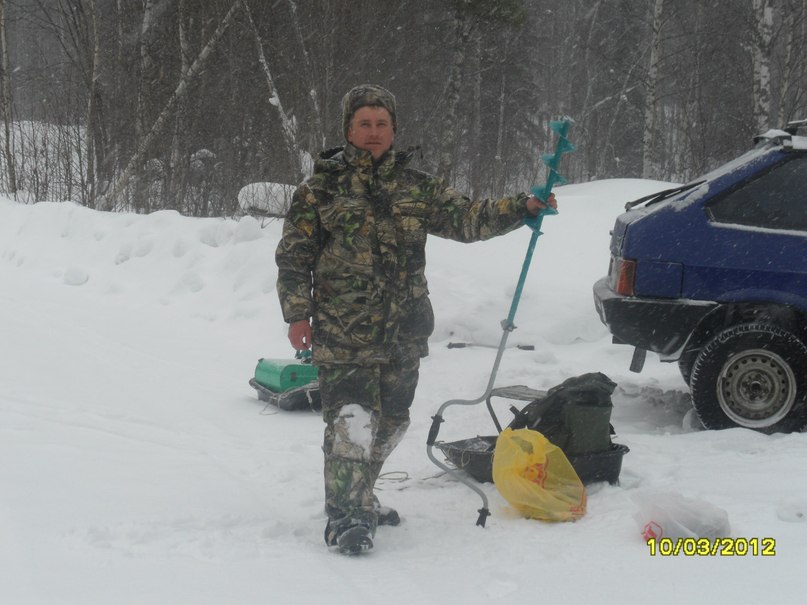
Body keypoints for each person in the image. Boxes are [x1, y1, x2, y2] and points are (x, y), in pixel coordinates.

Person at [275, 84, 556, 555]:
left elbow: (468, 218)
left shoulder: (417, 186)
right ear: (348, 129)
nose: (373, 132)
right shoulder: (320, 190)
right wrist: (296, 314)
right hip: (344, 330)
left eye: (381, 124)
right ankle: (347, 517)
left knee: (393, 421)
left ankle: (358, 493)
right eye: (364, 123)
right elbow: (293, 257)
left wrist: (522, 207)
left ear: (394, 129)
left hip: (403, 331)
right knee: (351, 422)